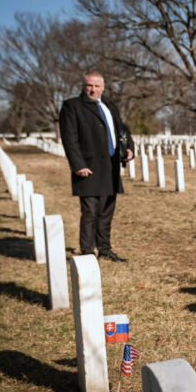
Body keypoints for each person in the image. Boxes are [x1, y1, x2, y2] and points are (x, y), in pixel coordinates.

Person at [60, 71, 134, 262]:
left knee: (107, 210)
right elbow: (70, 138)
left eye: (97, 86)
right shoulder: (72, 106)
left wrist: (129, 148)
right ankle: (86, 251)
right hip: (89, 167)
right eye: (89, 86)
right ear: (83, 86)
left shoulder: (109, 105)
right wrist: (78, 164)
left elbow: (122, 129)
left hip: (111, 167)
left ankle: (105, 249)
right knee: (90, 211)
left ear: (103, 87)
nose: (93, 89)